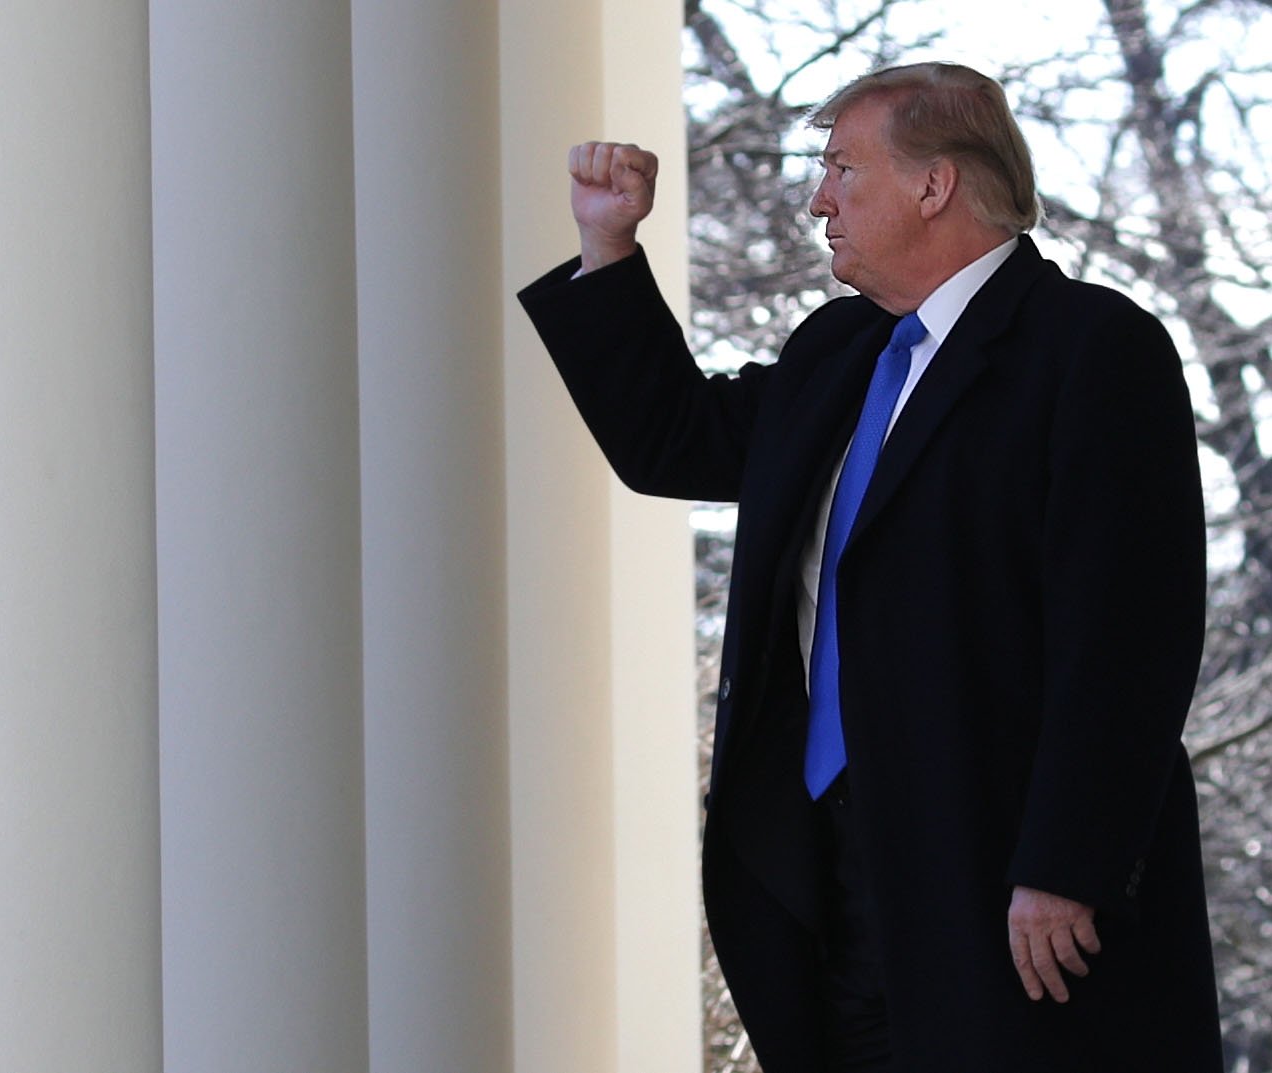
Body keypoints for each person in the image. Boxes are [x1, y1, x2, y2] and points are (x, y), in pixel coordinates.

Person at [518, 62, 1222, 1072]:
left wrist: (1065, 864)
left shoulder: (1092, 348)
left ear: (933, 184)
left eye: (841, 167)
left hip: (1004, 875)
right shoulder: (837, 350)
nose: (817, 197)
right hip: (833, 874)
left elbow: (1127, 634)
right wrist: (606, 246)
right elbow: (673, 441)